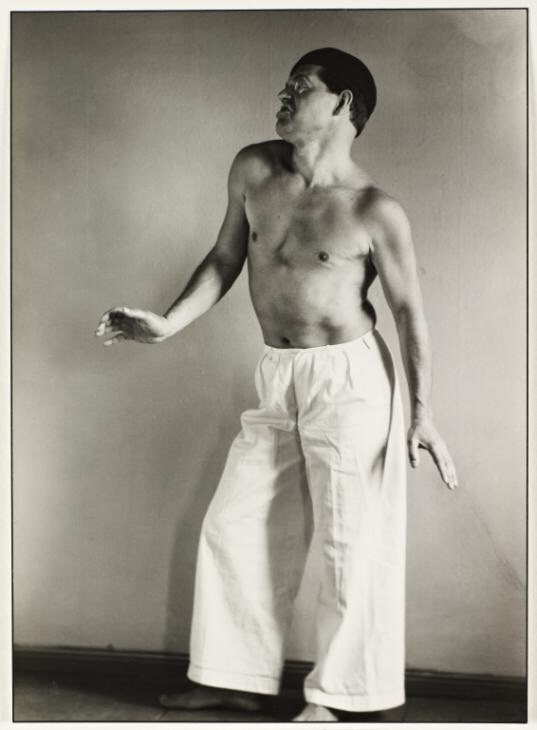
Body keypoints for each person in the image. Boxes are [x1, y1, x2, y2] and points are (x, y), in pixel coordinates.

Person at [95, 47, 458, 722]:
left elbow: (410, 312)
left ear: (343, 104)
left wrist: (422, 411)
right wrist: (168, 324)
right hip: (278, 373)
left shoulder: (375, 210)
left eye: (301, 86)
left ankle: (339, 696)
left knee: (353, 541)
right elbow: (226, 254)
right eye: (285, 85)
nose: (283, 95)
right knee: (235, 524)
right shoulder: (253, 169)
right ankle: (234, 677)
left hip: (351, 380)